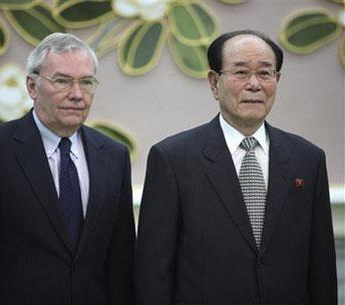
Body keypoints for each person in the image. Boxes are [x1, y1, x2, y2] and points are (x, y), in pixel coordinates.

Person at [135, 30, 337, 305]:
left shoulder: (308, 159)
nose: (254, 84)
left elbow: (321, 267)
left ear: (276, 81)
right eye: (241, 73)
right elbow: (153, 274)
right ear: (214, 83)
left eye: (265, 74)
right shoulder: (173, 160)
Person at [0, 33, 135, 305]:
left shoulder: (114, 156)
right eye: (62, 81)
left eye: (86, 82)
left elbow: (120, 262)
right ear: (32, 86)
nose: (76, 94)